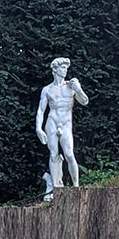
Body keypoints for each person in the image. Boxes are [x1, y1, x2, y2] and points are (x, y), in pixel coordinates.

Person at [35, 57, 89, 197]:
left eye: (66, 68)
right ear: (55, 69)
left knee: (69, 155)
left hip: (66, 124)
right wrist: (38, 128)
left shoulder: (71, 86)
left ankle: (76, 187)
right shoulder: (47, 90)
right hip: (52, 123)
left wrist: (79, 89)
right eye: (62, 67)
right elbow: (41, 110)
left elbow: (85, 101)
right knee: (53, 155)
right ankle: (55, 188)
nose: (65, 70)